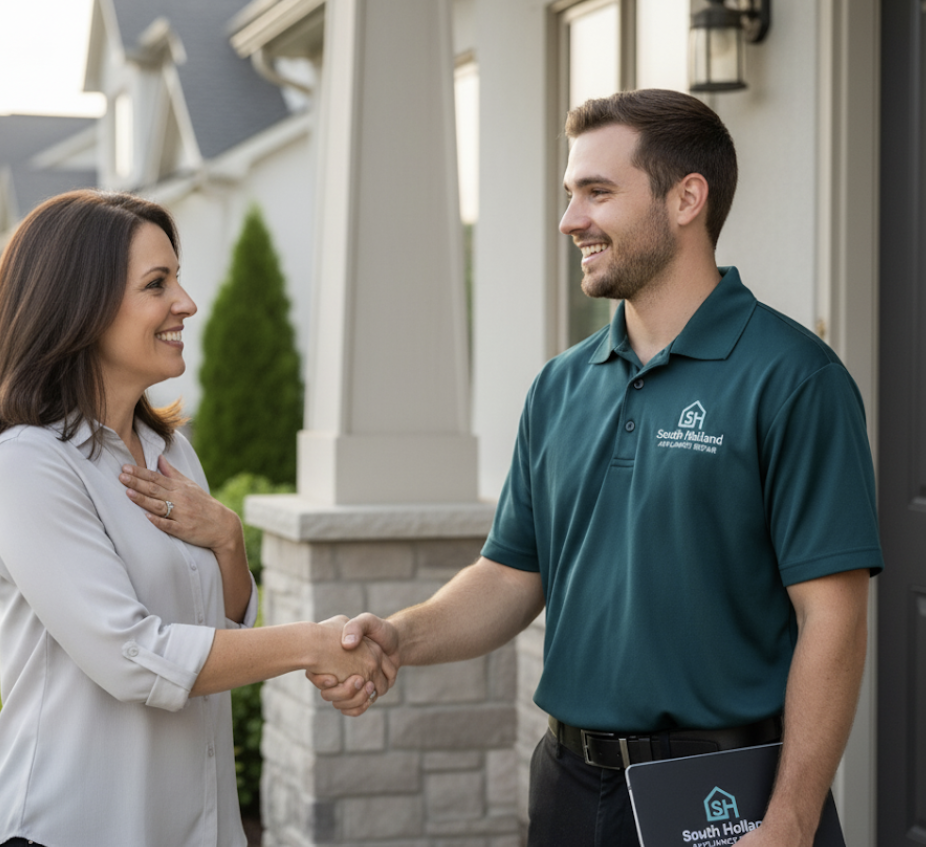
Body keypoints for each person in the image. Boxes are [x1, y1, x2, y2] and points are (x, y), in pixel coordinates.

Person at [311, 89, 882, 847]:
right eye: (568, 193)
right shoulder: (560, 385)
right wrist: (398, 636)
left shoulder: (793, 378)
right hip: (570, 788)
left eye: (596, 192)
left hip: (725, 795)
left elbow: (832, 616)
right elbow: (513, 573)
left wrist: (791, 818)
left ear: (685, 199)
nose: (569, 219)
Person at [0, 189, 392, 847]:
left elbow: (216, 633)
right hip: (72, 827)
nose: (186, 303)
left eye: (178, 278)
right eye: (156, 284)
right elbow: (134, 656)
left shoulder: (171, 453)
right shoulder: (30, 464)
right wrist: (311, 641)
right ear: (80, 305)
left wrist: (228, 542)